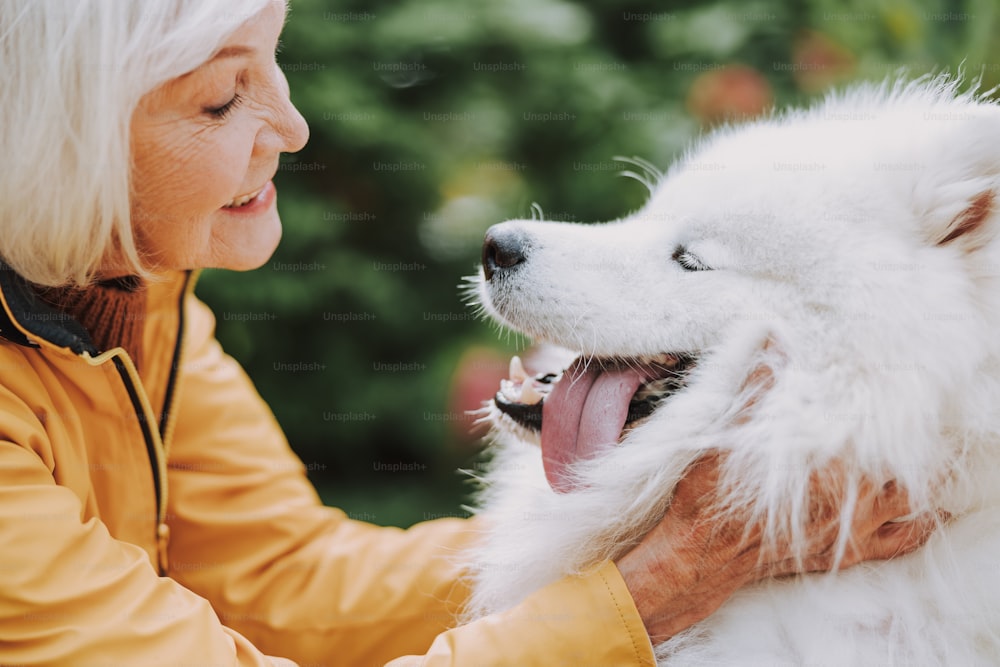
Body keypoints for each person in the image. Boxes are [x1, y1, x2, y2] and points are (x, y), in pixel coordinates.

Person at [0, 1, 938, 665]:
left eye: (274, 61)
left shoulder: (133, 290)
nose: (290, 125)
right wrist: (663, 581)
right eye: (221, 100)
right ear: (60, 137)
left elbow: (285, 582)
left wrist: (653, 531)